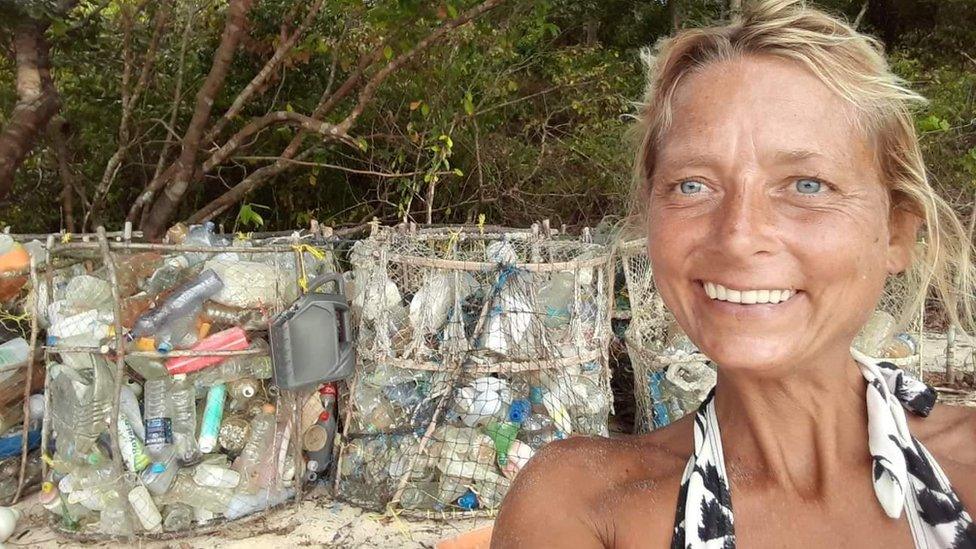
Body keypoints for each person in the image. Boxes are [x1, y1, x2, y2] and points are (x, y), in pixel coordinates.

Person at [491, 0, 976, 547]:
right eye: (693, 185)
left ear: (896, 234)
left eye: (806, 185)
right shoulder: (584, 506)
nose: (739, 236)